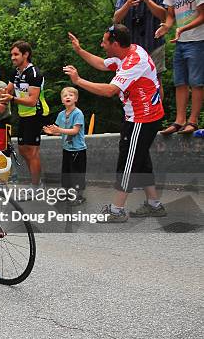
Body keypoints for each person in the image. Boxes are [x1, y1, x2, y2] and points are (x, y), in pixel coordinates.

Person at [65, 24, 166, 222]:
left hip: (142, 119)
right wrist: (79, 50)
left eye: (105, 42)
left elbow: (109, 91)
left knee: (128, 162)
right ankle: (154, 204)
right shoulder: (128, 52)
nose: (102, 45)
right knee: (141, 159)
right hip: (140, 117)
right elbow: (103, 64)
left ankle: (117, 210)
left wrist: (78, 81)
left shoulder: (133, 62)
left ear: (116, 44)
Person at [155, 0, 203, 135]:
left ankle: (193, 121)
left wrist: (183, 28)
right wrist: (166, 27)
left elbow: (202, 15)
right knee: (180, 81)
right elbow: (170, 15)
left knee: (197, 82)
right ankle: (179, 120)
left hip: (198, 40)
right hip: (181, 41)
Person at [114, 0, 168, 99]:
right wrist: (127, 4)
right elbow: (116, 19)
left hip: (154, 43)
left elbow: (165, 16)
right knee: (132, 82)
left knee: (156, 81)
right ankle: (137, 116)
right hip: (132, 46)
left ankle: (157, 116)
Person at [0, 41, 50, 189]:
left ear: (26, 54)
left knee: (32, 151)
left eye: (16, 54)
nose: (13, 58)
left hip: (36, 114)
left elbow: (33, 101)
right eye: (11, 55)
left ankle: (36, 186)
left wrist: (12, 99)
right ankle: (37, 180)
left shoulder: (34, 73)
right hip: (24, 114)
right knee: (22, 149)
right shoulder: (15, 71)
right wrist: (1, 93)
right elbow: (7, 90)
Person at [43, 87, 87, 205]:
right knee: (66, 172)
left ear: (76, 98)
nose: (68, 97)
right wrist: (52, 132)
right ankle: (67, 192)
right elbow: (61, 131)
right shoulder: (61, 114)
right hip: (66, 149)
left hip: (78, 149)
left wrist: (59, 129)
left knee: (77, 173)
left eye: (71, 95)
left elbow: (75, 131)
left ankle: (79, 196)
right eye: (65, 96)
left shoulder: (78, 113)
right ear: (62, 100)